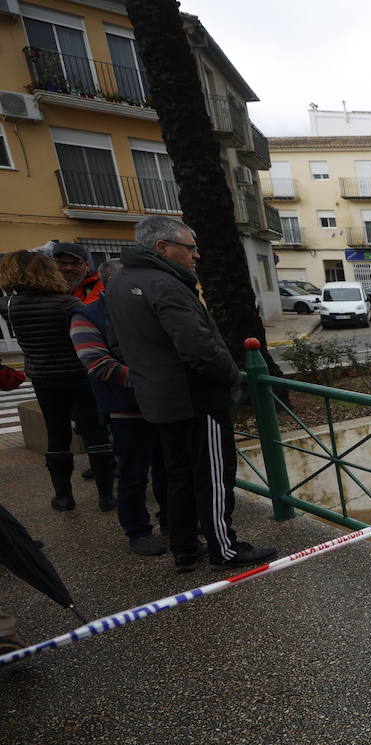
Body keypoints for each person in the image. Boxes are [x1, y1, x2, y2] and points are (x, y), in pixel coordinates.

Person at [105, 216, 276, 573]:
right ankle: (224, 550)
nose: (196, 255)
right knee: (213, 477)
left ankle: (184, 548)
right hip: (197, 399)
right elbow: (198, 348)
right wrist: (230, 374)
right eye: (190, 248)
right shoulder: (165, 285)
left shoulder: (120, 282)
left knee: (178, 475)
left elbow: (118, 344)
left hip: (158, 400)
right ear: (162, 248)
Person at [0, 250, 115, 511]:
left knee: (57, 433)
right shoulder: (69, 304)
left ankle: (63, 497)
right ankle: (106, 496)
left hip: (43, 378)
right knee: (94, 431)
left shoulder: (9, 307)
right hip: (79, 374)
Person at [69, 259, 169, 556]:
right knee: (133, 473)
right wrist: (152, 380)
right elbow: (98, 364)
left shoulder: (142, 307)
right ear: (112, 283)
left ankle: (172, 520)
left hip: (161, 404)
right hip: (126, 408)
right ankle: (137, 530)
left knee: (167, 468)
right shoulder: (85, 316)